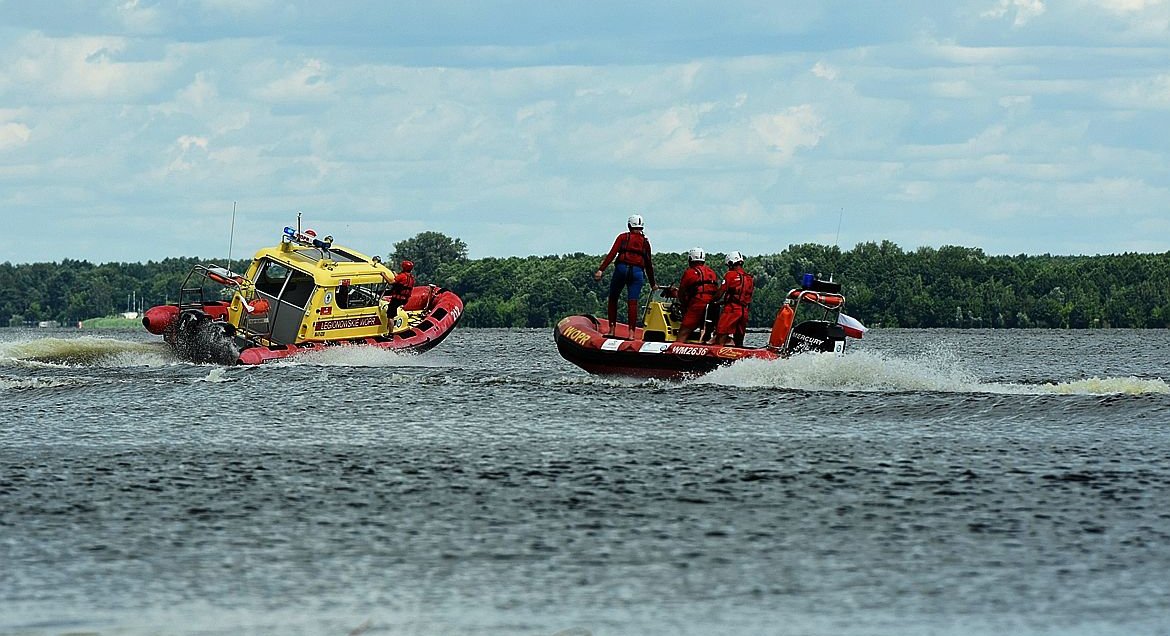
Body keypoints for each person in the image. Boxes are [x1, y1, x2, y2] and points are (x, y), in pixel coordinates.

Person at [594, 214, 656, 338]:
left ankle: (612, 330)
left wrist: (601, 270)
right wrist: (653, 284)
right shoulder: (645, 242)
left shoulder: (623, 237)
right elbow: (649, 264)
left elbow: (612, 254)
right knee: (633, 302)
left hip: (621, 269)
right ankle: (631, 334)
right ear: (641, 227)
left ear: (629, 226)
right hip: (637, 273)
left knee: (613, 298)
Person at [672, 247, 720, 343]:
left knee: (683, 332)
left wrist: (684, 305)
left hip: (697, 305)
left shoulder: (689, 272)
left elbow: (681, 293)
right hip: (712, 307)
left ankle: (676, 350)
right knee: (707, 331)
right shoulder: (712, 273)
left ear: (690, 259)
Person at [711, 251, 754, 347]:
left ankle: (717, 355)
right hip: (744, 311)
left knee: (721, 334)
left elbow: (720, 293)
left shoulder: (730, 275)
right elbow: (743, 297)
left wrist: (711, 301)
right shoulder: (749, 278)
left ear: (731, 263)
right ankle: (739, 358)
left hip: (732, 310)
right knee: (739, 338)